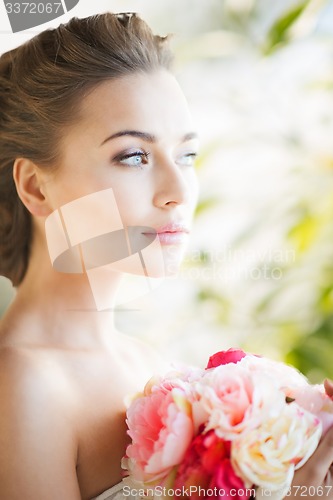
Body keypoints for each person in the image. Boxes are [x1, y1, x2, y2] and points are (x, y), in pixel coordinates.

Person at [0, 12, 332, 500]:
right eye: (134, 155)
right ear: (35, 186)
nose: (178, 191)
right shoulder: (20, 387)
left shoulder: (147, 364)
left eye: (187, 156)